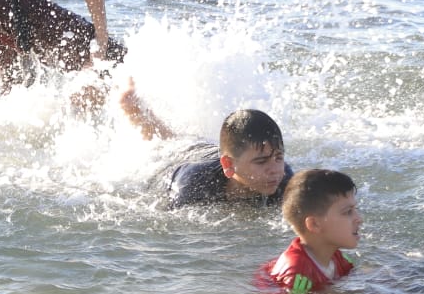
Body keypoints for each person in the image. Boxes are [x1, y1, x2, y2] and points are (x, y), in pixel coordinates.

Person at [118, 80, 293, 208]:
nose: (275, 169)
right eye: (261, 162)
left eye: (279, 157)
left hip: (207, 149)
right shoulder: (193, 186)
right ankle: (132, 105)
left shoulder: (284, 179)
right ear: (228, 165)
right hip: (176, 159)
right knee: (163, 140)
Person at [261, 169, 360, 294]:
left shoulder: (337, 258)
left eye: (355, 209)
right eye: (347, 212)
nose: (359, 218)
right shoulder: (296, 275)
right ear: (314, 224)